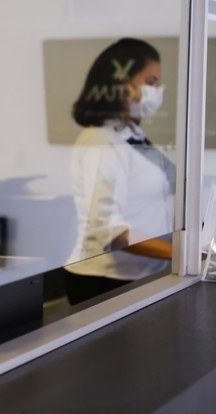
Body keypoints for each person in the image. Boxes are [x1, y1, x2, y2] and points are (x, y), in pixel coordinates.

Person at [64, 38, 175, 305]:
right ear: (120, 83)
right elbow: (111, 231)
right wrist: (181, 253)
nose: (156, 92)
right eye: (150, 82)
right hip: (106, 279)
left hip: (143, 272)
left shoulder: (131, 133)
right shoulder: (100, 141)